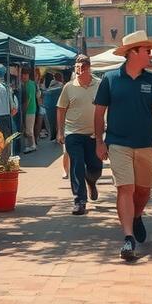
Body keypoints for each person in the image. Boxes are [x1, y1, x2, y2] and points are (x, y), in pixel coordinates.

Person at [93, 30, 152, 261]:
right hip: (118, 143)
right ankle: (128, 238)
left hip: (146, 144)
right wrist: (99, 141)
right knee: (126, 188)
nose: (151, 54)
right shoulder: (110, 79)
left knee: (143, 190)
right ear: (133, 53)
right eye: (147, 50)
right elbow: (99, 112)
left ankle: (136, 216)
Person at [58, 55, 101, 216]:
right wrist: (60, 131)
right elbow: (61, 109)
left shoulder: (99, 85)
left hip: (94, 134)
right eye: (76, 68)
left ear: (89, 68)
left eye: (82, 68)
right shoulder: (69, 87)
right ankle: (79, 201)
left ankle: (92, 181)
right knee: (77, 166)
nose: (79, 71)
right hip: (73, 133)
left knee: (95, 168)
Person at [20, 70, 40, 151]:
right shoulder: (27, 84)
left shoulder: (30, 85)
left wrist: (24, 109)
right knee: (28, 129)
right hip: (31, 109)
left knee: (29, 130)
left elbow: (29, 98)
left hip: (30, 110)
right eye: (22, 74)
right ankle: (31, 145)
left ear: (28, 75)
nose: (24, 76)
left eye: (25, 74)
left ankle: (32, 145)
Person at [43, 72, 64, 142]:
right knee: (59, 122)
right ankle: (59, 136)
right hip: (59, 106)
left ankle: (53, 137)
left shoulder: (49, 86)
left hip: (49, 106)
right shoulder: (61, 86)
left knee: (52, 123)